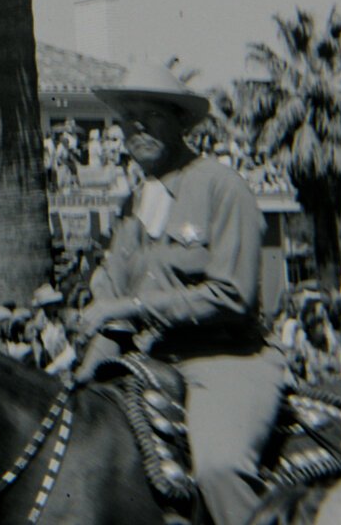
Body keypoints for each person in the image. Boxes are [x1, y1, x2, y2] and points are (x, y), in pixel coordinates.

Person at [72, 62, 285, 525]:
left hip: (226, 360)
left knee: (218, 469)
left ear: (182, 123)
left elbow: (234, 296)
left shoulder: (221, 187)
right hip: (149, 365)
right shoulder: (132, 205)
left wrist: (131, 305)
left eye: (155, 116)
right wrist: (81, 376)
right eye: (130, 118)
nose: (139, 127)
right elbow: (113, 310)